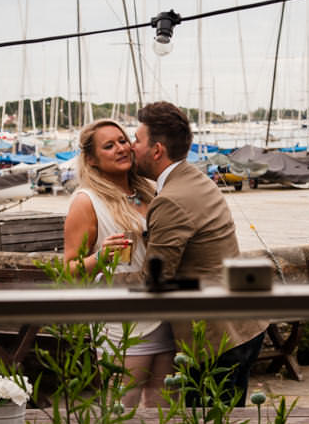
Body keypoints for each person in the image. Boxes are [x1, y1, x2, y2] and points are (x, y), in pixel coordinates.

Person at [131, 101, 268, 406]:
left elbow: (154, 281)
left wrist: (107, 274)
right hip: (245, 324)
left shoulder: (171, 200)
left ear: (156, 150)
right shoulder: (195, 179)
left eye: (136, 140)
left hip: (216, 338)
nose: (131, 147)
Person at [63, 118, 166, 406]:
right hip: (122, 321)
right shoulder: (86, 201)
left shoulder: (149, 191)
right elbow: (69, 270)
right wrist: (101, 257)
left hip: (164, 311)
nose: (121, 148)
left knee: (165, 406)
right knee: (123, 407)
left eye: (123, 141)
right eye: (109, 146)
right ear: (91, 159)